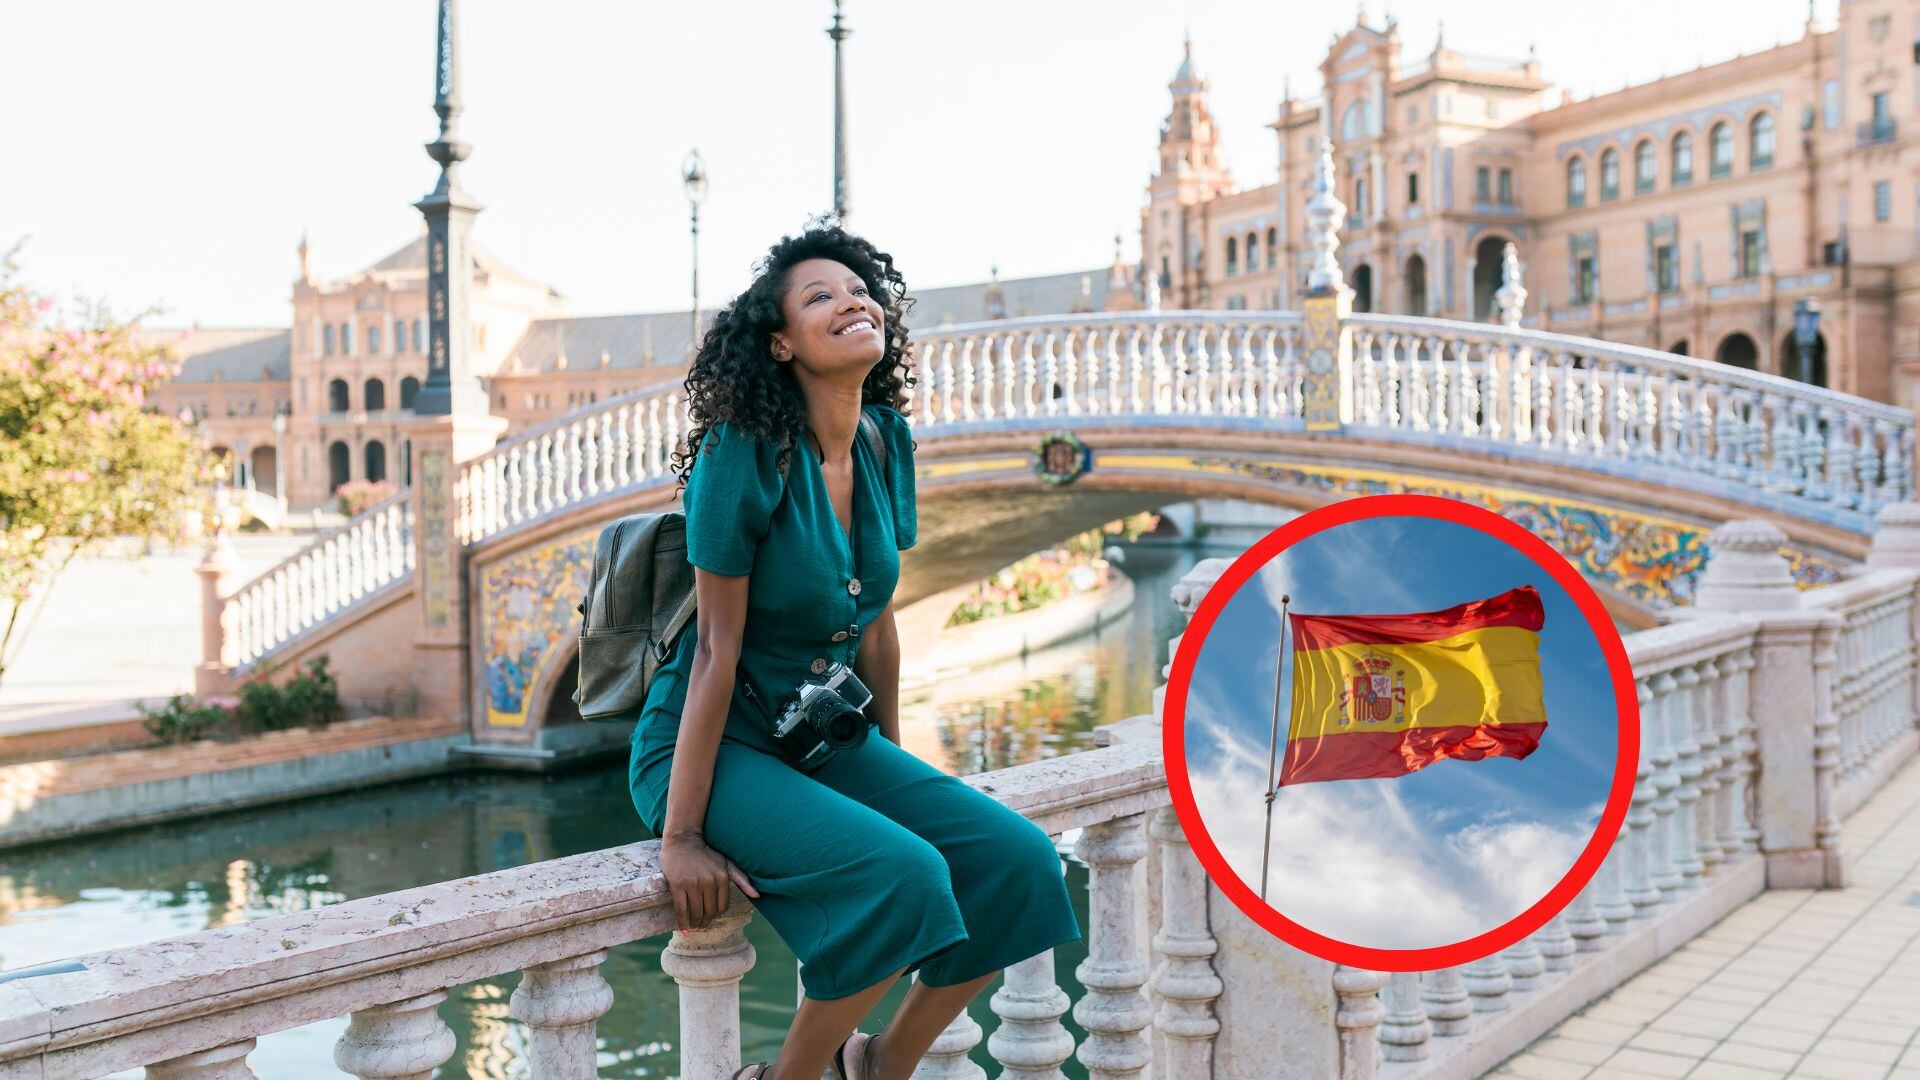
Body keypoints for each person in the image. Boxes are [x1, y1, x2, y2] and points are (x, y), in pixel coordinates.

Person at [624, 223, 1083, 1080]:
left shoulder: (881, 441)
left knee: (1018, 862)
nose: (851, 301)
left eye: (859, 288)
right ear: (781, 342)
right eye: (819, 296)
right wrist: (681, 834)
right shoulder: (742, 453)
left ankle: (879, 1065)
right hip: (718, 747)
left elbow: (877, 624)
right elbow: (717, 650)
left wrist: (896, 773)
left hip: (823, 739)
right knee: (903, 875)